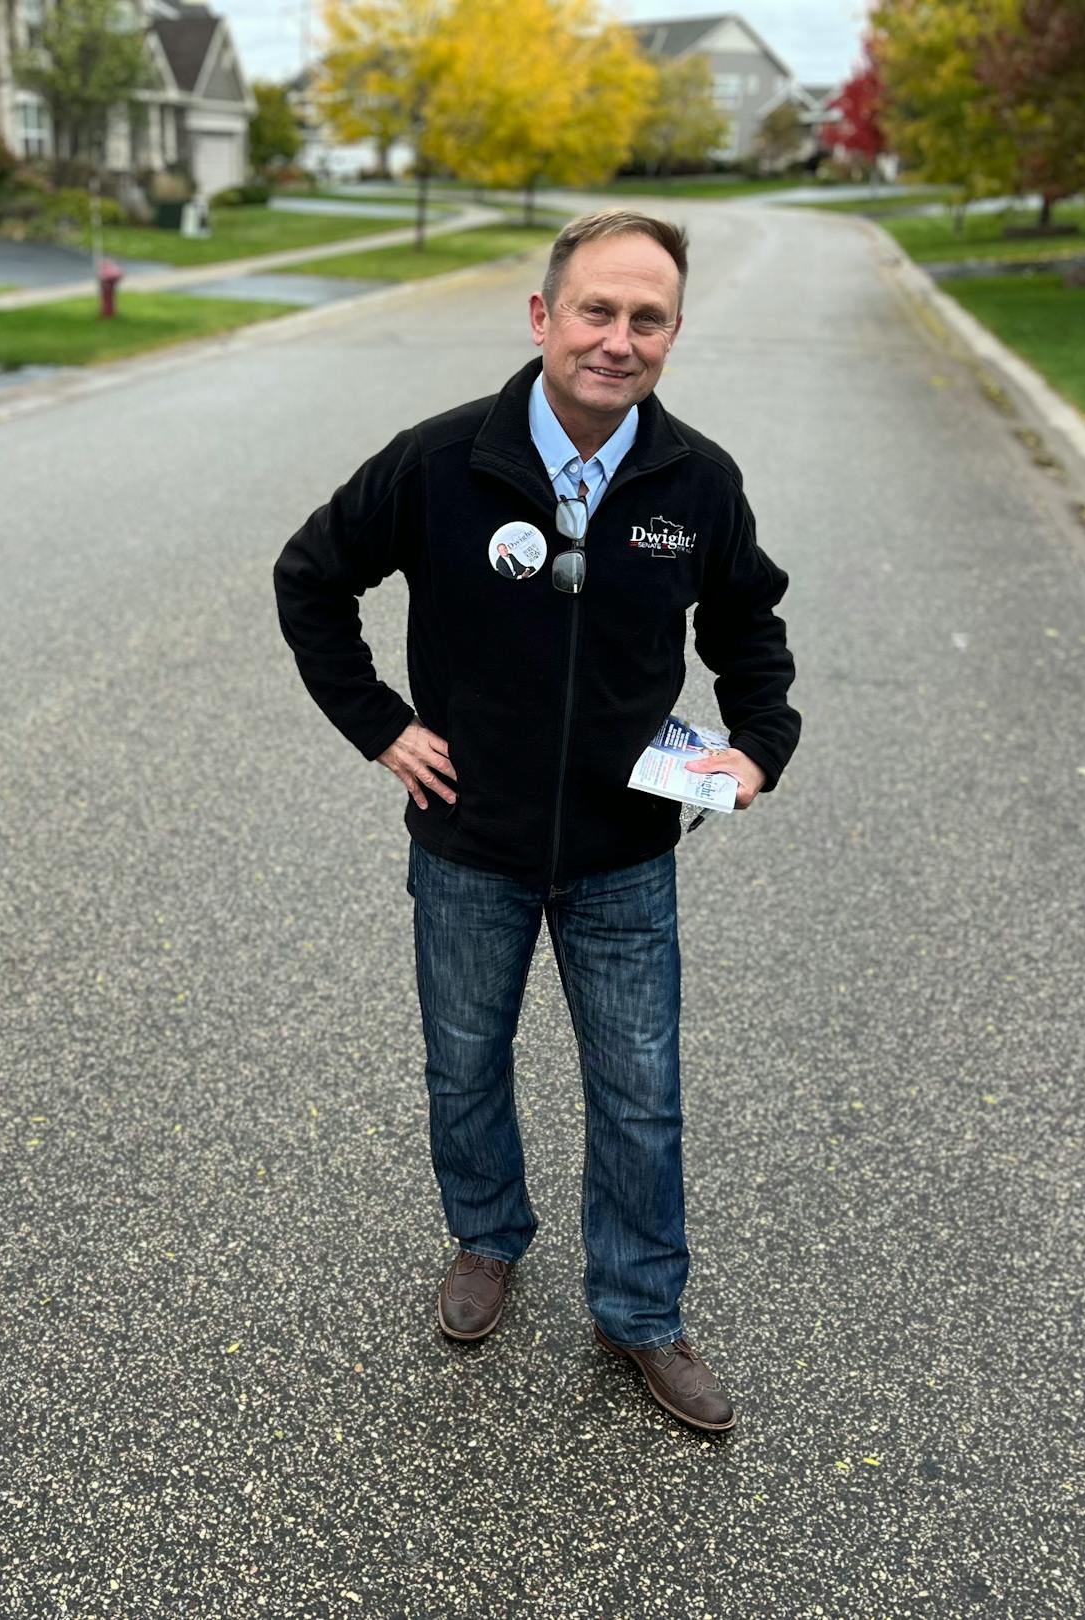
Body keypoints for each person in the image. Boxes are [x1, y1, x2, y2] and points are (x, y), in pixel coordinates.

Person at [271, 210, 800, 1433]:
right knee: (465, 1064)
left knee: (641, 1091)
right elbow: (312, 578)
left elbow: (749, 631)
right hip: (470, 847)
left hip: (624, 859)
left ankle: (640, 1312)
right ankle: (488, 1238)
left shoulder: (694, 483)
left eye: (647, 318)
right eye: (597, 311)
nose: (618, 340)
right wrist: (380, 724)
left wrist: (758, 748)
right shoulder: (443, 460)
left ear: (672, 334)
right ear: (544, 318)